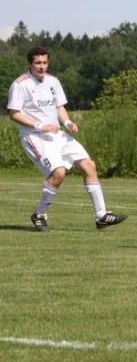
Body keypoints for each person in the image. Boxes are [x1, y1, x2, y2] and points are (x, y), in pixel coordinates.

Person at [7, 46, 128, 232]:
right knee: (59, 173)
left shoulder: (53, 81)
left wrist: (68, 122)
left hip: (57, 135)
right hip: (35, 136)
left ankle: (101, 216)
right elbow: (14, 114)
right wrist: (40, 126)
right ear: (30, 63)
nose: (42, 66)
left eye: (45, 62)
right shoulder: (20, 84)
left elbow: (60, 107)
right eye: (38, 63)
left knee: (89, 165)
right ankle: (39, 214)